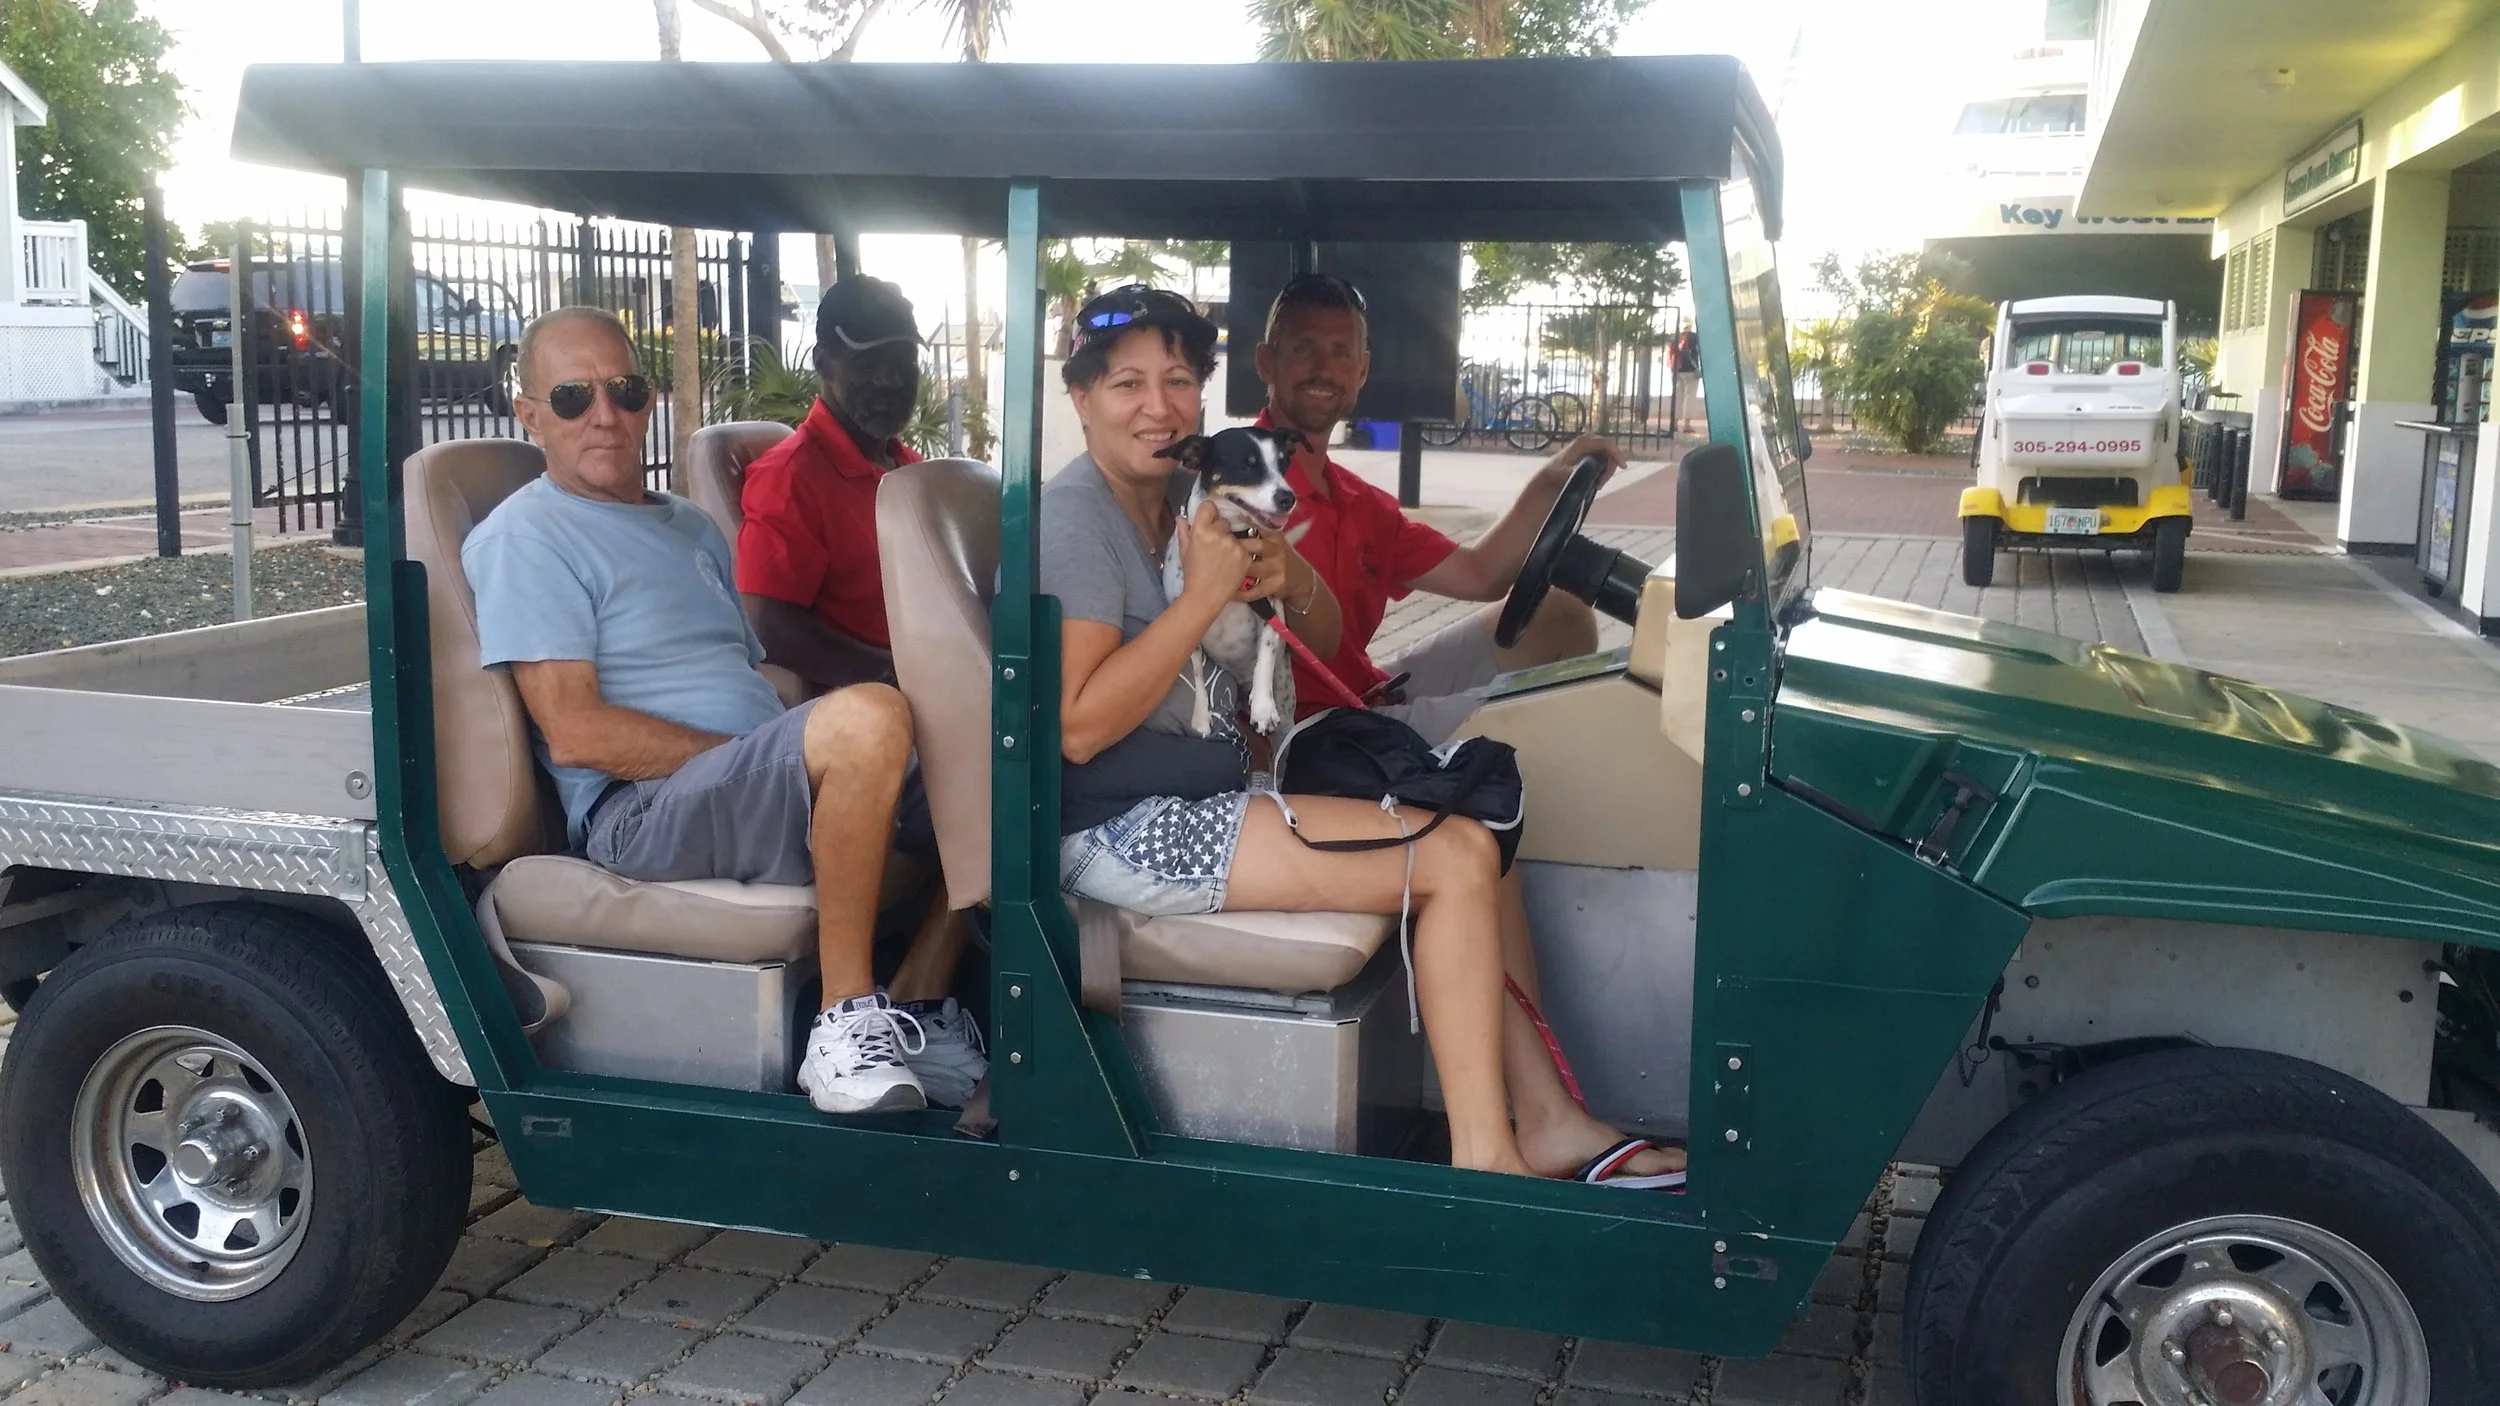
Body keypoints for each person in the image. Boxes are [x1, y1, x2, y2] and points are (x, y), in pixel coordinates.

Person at [1042, 285, 1682, 1186]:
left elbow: (1304, 646)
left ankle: (1545, 1121)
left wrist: (1281, 580)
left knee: (1472, 826)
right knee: (1452, 859)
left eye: (1178, 380)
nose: (1157, 405)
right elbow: (1074, 728)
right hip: (1121, 827)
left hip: (1208, 796)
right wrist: (1199, 602)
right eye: (1125, 385)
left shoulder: (1181, 505)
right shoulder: (1078, 519)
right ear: (1079, 397)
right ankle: (1487, 1166)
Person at [464, 306, 984, 1116]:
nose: (605, 415)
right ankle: (842, 1026)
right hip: (639, 814)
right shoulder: (528, 536)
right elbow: (574, 731)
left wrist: (801, 745)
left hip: (733, 780)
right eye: (572, 397)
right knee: (869, 719)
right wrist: (786, 748)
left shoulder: (691, 527)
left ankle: (916, 997)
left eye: (624, 390)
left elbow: (752, 673)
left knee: (989, 740)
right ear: (528, 413)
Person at [1254, 273, 1627, 743]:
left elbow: (1480, 575)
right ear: (1267, 362)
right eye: (1305, 349)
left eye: (1341, 352)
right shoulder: (1242, 491)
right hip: (1312, 736)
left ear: (1362, 370)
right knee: (1550, 711)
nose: (1324, 369)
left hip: (1361, 694)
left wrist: (1546, 485)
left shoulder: (1357, 501)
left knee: (1562, 612)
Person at [737, 275, 925, 694]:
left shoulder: (910, 468)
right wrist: (898, 677)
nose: (892, 379)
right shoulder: (791, 477)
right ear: (822, 363)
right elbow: (766, 625)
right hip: (874, 704)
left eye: (904, 360)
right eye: (868, 364)